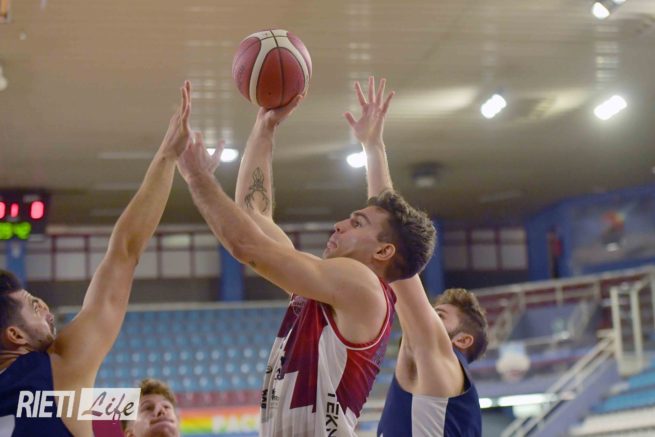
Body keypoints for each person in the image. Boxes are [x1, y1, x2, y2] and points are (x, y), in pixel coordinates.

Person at [176, 94, 436, 436]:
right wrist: (265, 128)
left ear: (384, 251)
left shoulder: (362, 283)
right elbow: (253, 216)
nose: (339, 225)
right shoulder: (328, 290)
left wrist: (198, 179)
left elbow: (247, 246)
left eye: (357, 223)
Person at [0, 81, 194, 437]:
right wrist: (167, 156)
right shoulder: (57, 371)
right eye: (33, 306)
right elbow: (124, 253)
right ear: (15, 334)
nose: (45, 308)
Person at [343, 76, 488, 436]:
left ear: (462, 340)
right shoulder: (429, 388)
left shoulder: (442, 362)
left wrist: (374, 149)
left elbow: (397, 251)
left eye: (438, 315)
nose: (424, 314)